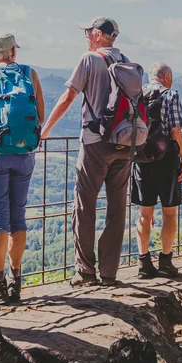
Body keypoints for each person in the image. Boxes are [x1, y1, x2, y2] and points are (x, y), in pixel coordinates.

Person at [40, 17, 134, 286]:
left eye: (88, 32)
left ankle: (86, 272)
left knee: (84, 205)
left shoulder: (89, 59)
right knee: (117, 207)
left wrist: (45, 131)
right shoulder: (126, 61)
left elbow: (68, 96)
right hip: (125, 142)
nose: (86, 37)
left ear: (97, 34)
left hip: (95, 142)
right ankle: (110, 272)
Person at [0, 32, 44, 305]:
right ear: (13, 51)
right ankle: (16, 281)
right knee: (19, 216)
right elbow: (40, 114)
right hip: (25, 154)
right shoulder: (29, 73)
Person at [132, 63, 182, 279]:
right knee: (169, 211)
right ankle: (165, 262)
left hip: (141, 159)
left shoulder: (136, 94)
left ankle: (143, 263)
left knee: (144, 213)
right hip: (166, 161)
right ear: (165, 76)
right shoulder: (170, 95)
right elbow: (175, 131)